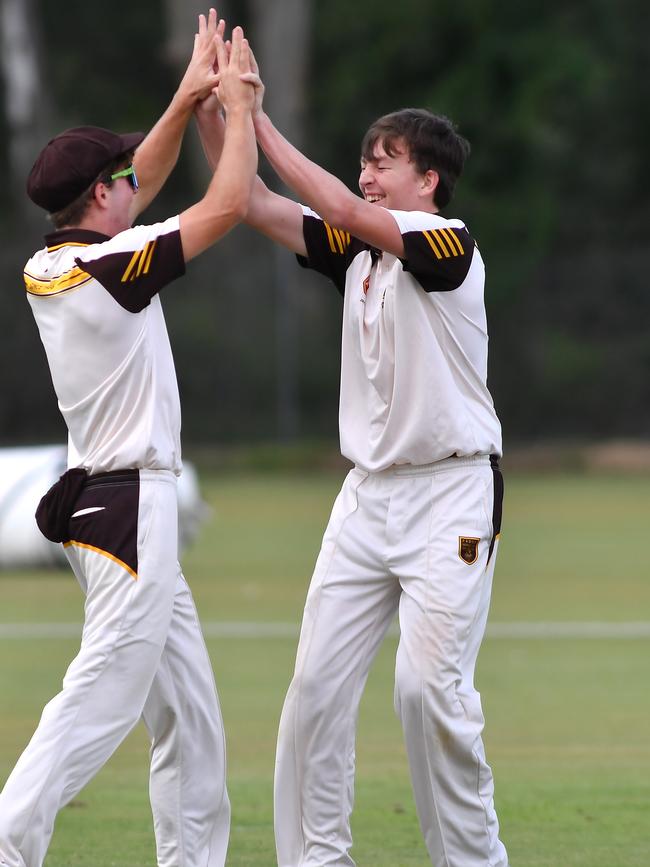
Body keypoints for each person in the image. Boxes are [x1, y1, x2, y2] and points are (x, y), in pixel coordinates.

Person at [195, 48, 509, 867]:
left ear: (429, 181)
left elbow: (328, 199)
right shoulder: (360, 255)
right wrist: (215, 110)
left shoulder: (447, 245)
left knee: (426, 691)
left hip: (452, 494)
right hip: (368, 498)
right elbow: (253, 201)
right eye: (365, 164)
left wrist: (257, 116)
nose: (366, 177)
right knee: (315, 693)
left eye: (384, 164)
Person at [0, 13, 257, 867]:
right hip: (129, 508)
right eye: (121, 178)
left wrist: (187, 96)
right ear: (104, 194)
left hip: (105, 502)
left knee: (188, 715)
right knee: (101, 698)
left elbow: (135, 181)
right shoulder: (116, 264)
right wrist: (241, 108)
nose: (132, 182)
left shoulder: (58, 259)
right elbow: (223, 203)